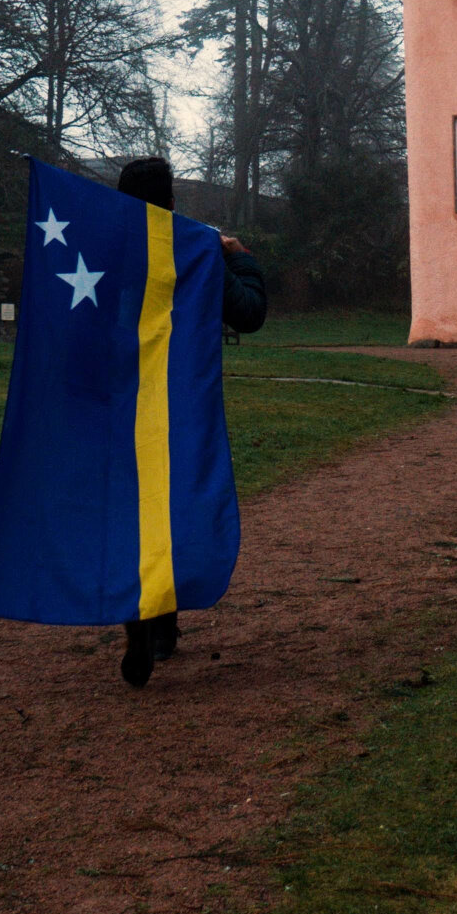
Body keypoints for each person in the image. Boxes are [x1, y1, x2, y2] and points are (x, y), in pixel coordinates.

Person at [114, 156, 267, 687]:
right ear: (172, 201)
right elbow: (248, 312)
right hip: (177, 401)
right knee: (172, 503)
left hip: (115, 400)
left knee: (125, 506)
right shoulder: (195, 246)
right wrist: (239, 259)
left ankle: (137, 617)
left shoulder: (101, 244)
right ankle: (163, 624)